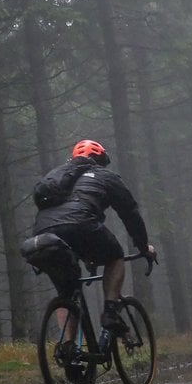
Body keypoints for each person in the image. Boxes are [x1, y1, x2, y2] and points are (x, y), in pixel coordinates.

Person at [32, 139, 156, 334]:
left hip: (42, 235)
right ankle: (110, 312)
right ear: (99, 159)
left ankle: (68, 351)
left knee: (66, 293)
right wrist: (143, 247)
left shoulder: (57, 178)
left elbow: (61, 223)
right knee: (115, 256)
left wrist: (86, 256)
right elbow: (130, 213)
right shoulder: (105, 176)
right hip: (81, 225)